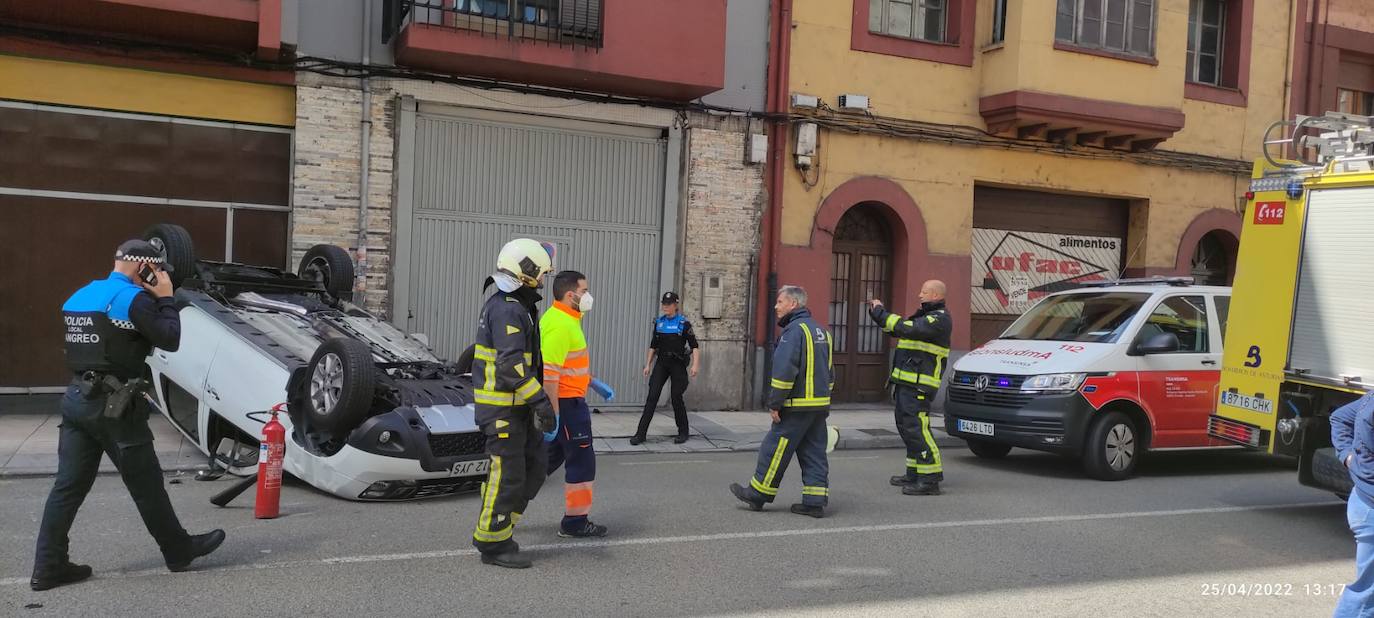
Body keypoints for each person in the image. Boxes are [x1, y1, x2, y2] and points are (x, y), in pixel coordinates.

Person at [32, 239, 225, 591]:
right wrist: (164, 297)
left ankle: (48, 565)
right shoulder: (131, 300)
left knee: (67, 487)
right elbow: (169, 338)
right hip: (115, 406)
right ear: (145, 268)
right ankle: (177, 550)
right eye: (157, 270)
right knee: (146, 485)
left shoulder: (80, 294)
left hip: (77, 399)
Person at [470, 238, 559, 569]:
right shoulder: (508, 308)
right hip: (503, 410)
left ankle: (501, 527)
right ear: (527, 273)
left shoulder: (518, 306)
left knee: (534, 469)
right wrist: (542, 403)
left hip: (517, 408)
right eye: (541, 273)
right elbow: (511, 367)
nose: (543, 280)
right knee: (506, 475)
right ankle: (492, 541)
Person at [729, 286, 833, 517]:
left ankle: (758, 493)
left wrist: (775, 403)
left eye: (780, 302)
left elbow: (784, 372)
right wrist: (824, 401)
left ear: (793, 304)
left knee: (774, 448)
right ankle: (814, 501)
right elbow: (830, 373)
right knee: (814, 452)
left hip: (796, 406)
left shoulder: (793, 332)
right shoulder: (822, 332)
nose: (776, 306)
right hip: (819, 405)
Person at [541, 270, 609, 538]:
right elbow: (550, 373)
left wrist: (590, 381)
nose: (588, 296)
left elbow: (567, 363)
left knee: (545, 460)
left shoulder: (567, 319)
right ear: (571, 295)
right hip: (567, 406)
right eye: (584, 291)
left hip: (569, 401)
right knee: (582, 460)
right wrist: (553, 414)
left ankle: (508, 504)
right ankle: (575, 522)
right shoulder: (561, 324)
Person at [868, 280, 952, 496]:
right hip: (908, 383)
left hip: (920, 386)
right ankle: (915, 472)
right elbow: (897, 329)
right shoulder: (925, 317)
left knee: (917, 429)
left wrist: (881, 311)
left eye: (923, 291)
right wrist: (876, 314)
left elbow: (907, 328)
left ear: (935, 295)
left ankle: (930, 479)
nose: (919, 294)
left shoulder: (939, 319)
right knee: (907, 428)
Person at [632, 292, 700, 445]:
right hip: (662, 363)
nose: (665, 307)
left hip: (677, 364)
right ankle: (640, 434)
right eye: (664, 304)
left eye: (668, 304)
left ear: (675, 305)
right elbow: (653, 346)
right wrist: (648, 364)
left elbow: (695, 346)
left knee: (676, 397)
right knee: (652, 397)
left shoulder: (683, 324)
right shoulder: (659, 323)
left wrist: (695, 365)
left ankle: (683, 432)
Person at [1331, 392, 1374, 616]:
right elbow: (1340, 418)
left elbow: (1339, 417)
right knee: (1367, 597)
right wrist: (1347, 455)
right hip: (1370, 508)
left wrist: (1347, 455)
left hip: (1363, 501)